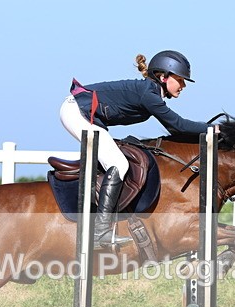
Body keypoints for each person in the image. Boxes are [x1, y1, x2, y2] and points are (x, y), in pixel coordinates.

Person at [60, 50, 211, 249]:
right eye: (180, 80)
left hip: (83, 113)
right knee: (118, 163)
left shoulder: (150, 91)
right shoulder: (149, 95)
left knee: (117, 159)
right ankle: (100, 232)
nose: (183, 86)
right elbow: (178, 126)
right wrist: (214, 129)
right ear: (163, 77)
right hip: (76, 111)